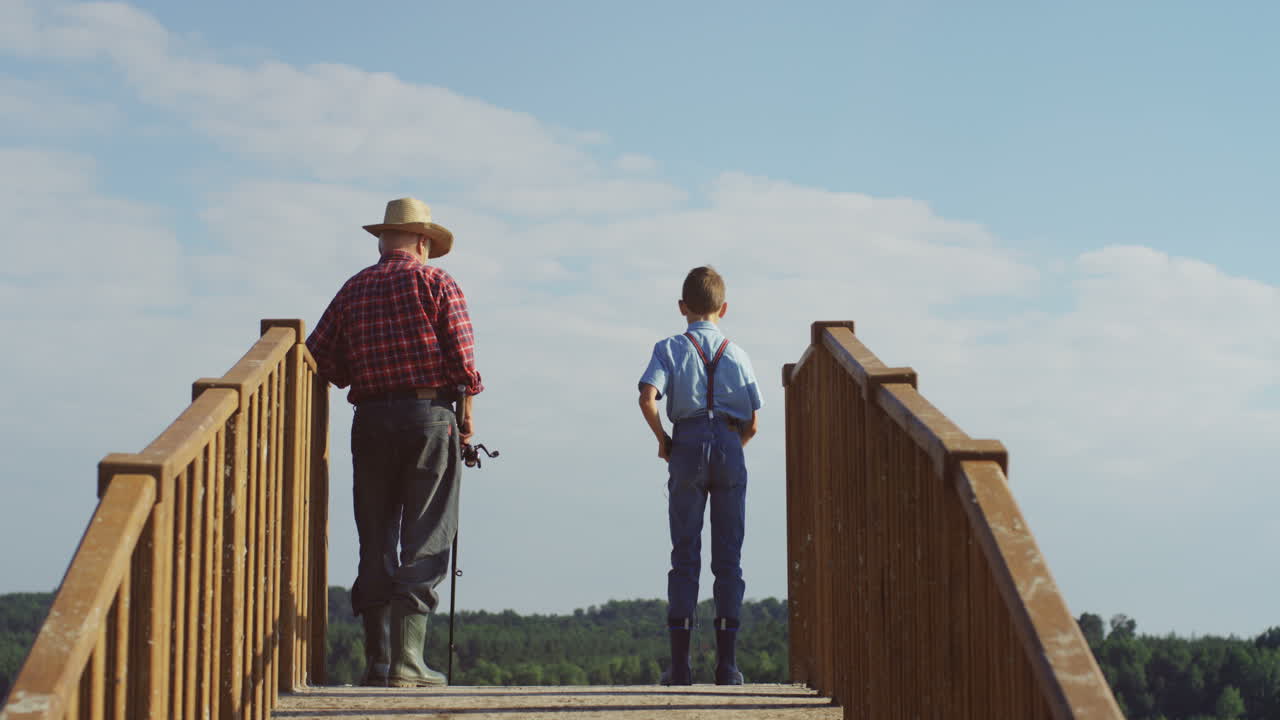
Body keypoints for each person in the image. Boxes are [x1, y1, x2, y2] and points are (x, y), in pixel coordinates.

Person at [307, 197, 483, 688]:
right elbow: (463, 363)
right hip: (428, 415)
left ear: (385, 240)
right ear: (424, 241)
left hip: (370, 419)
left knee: (376, 535)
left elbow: (320, 359)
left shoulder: (353, 288)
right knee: (426, 534)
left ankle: (378, 663)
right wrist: (466, 419)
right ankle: (409, 664)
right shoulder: (437, 281)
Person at [637, 266, 762, 685]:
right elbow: (754, 422)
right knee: (729, 559)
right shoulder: (738, 354)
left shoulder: (668, 347)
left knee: (684, 555)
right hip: (728, 443)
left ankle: (681, 667)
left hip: (686, 443)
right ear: (724, 308)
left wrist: (664, 440)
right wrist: (730, 453)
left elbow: (647, 398)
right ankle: (726, 666)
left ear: (682, 307)